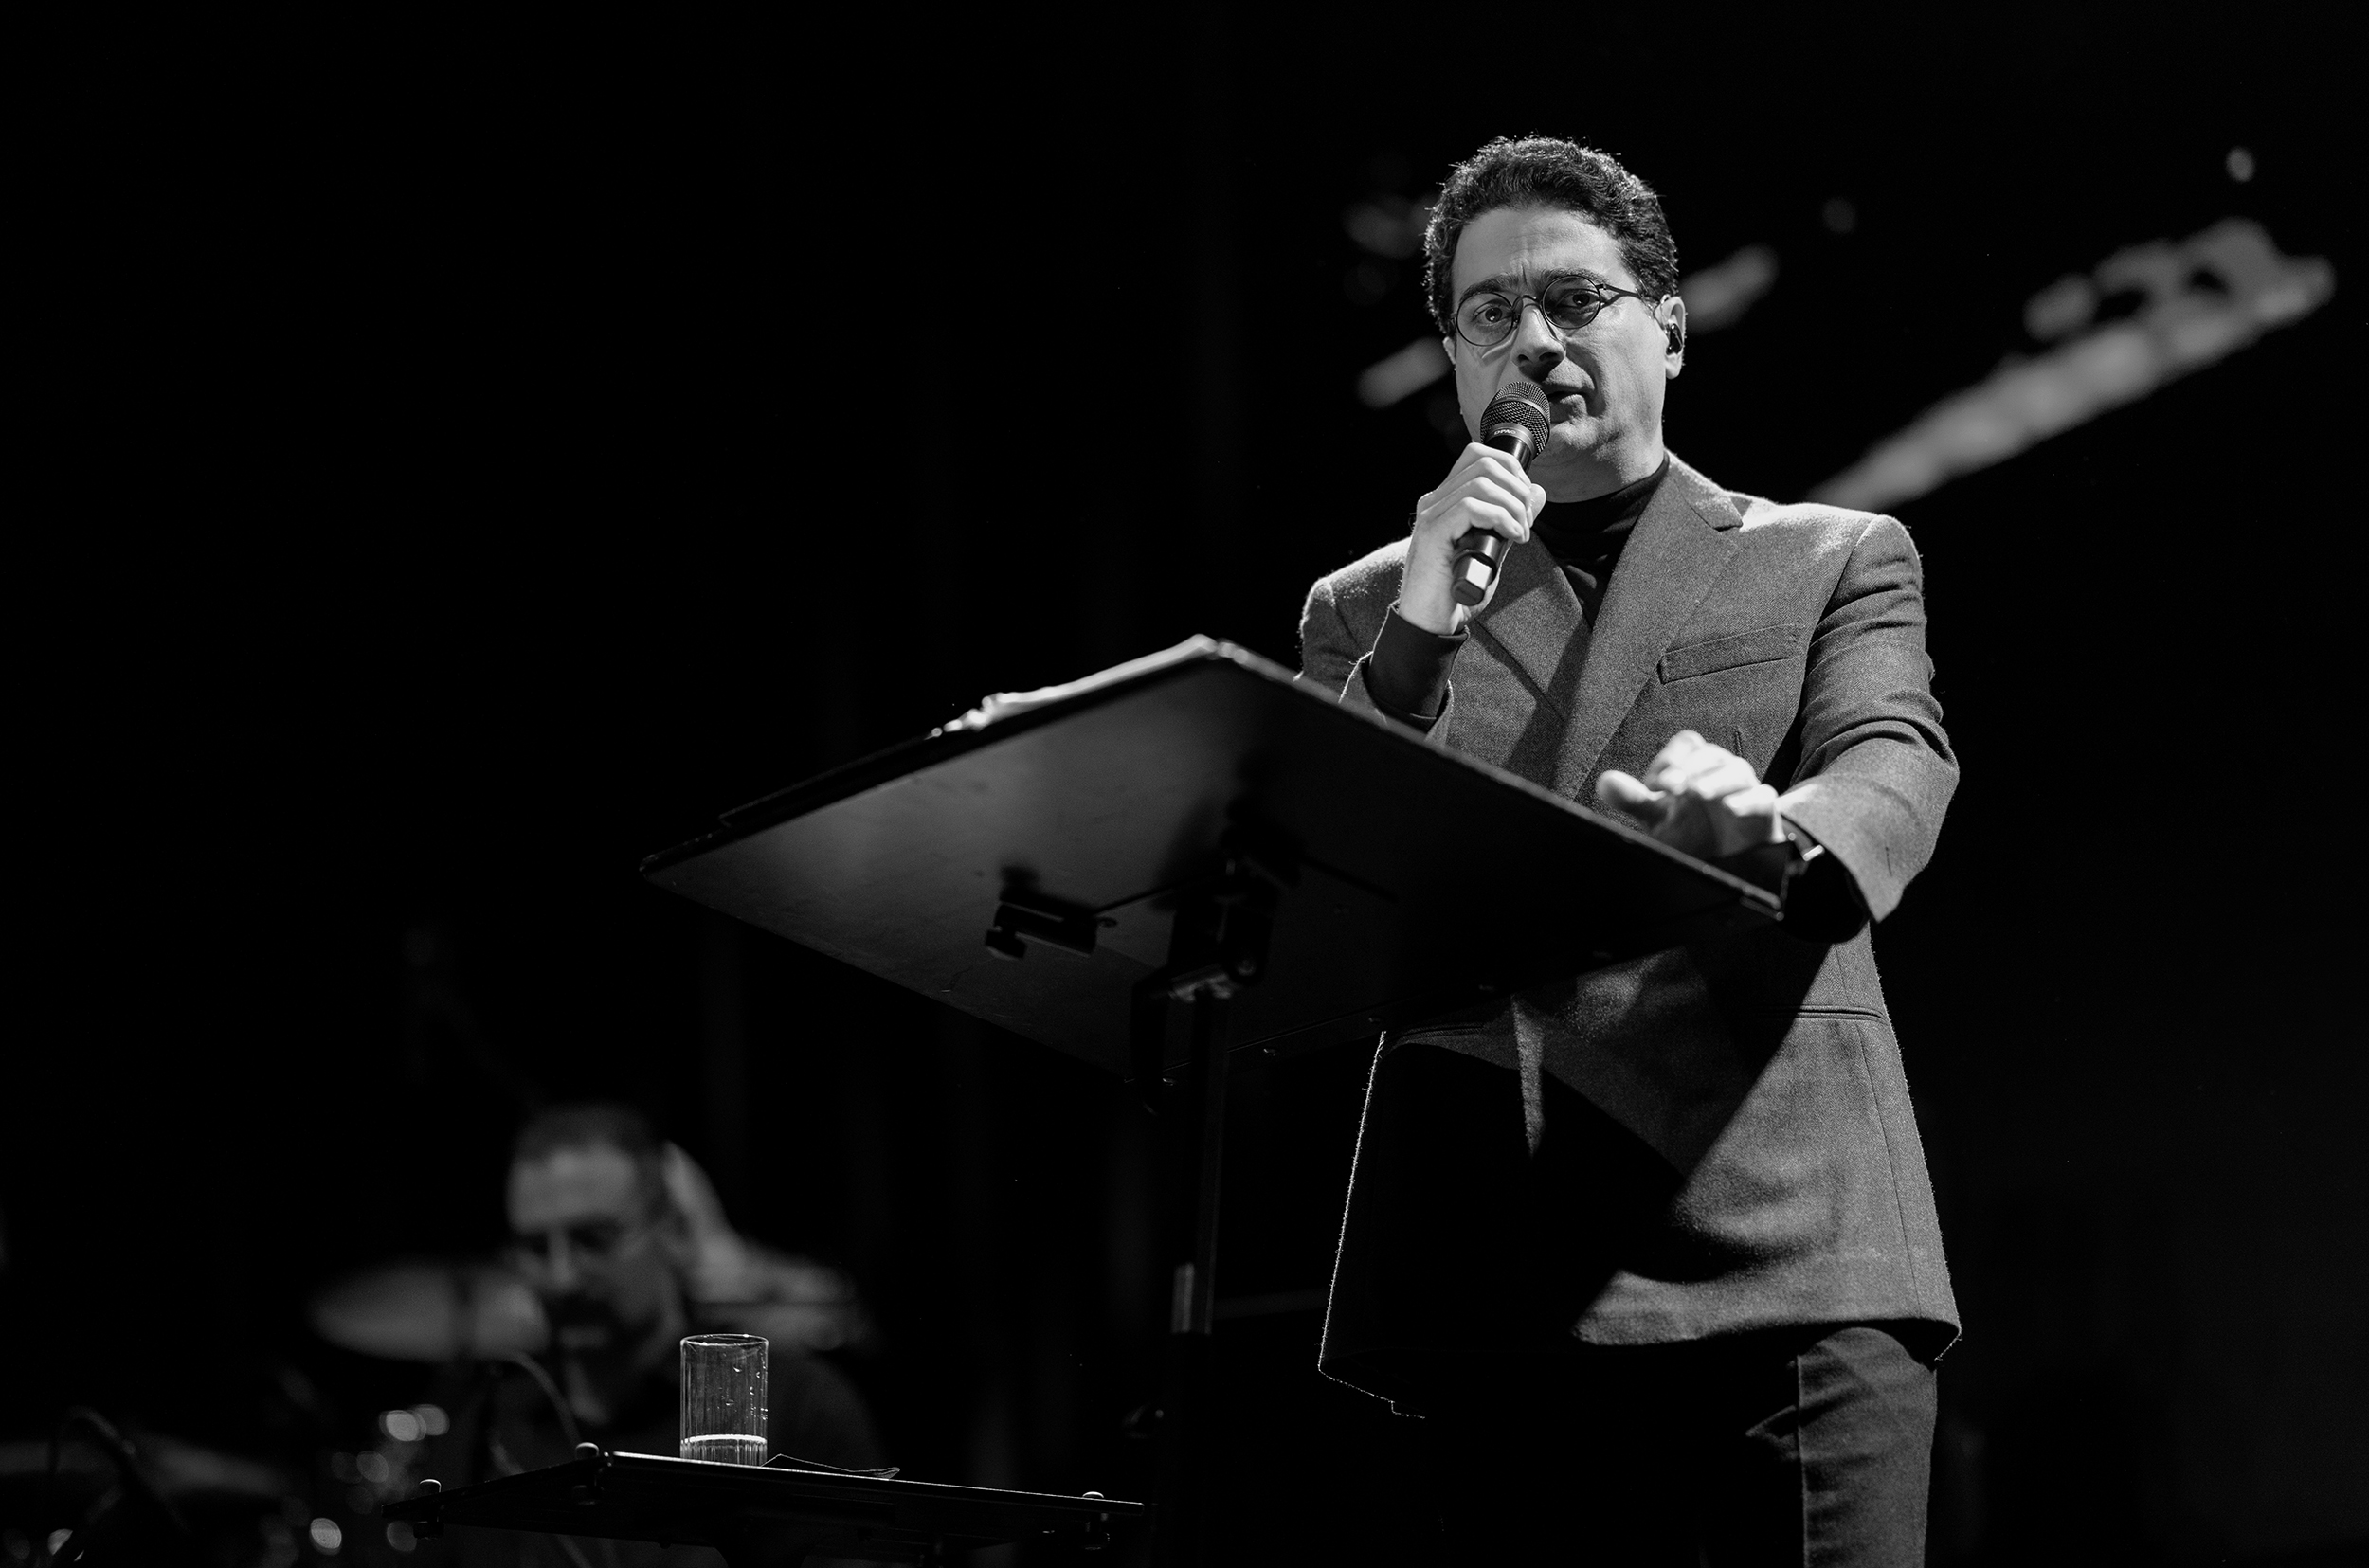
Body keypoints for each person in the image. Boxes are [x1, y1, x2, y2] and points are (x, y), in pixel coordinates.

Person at [1299, 136, 1958, 1564]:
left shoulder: (1828, 553)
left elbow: (1894, 757)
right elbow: (1326, 876)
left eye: (1573, 299)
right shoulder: (1374, 609)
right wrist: (1417, 634)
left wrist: (1781, 832)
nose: (1532, 342)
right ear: (1453, 359)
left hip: (1784, 1219)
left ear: (1667, 324)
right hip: (1500, 1246)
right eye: (1489, 313)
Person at [421, 1103, 885, 1565]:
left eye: (594, 1239)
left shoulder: (800, 1406)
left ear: (676, 1231)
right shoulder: (485, 1430)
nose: (563, 1278)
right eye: (535, 1248)